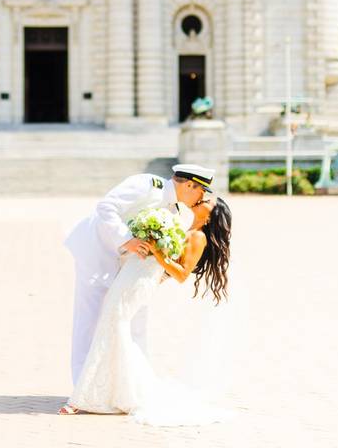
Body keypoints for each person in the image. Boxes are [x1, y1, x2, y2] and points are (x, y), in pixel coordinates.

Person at [61, 196, 233, 425]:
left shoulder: (198, 237)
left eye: (207, 201)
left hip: (140, 281)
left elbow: (181, 274)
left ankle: (83, 397)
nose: (201, 198)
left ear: (210, 215)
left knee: (113, 323)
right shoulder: (184, 226)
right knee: (113, 324)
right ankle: (123, 391)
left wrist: (157, 252)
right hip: (133, 272)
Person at [62, 164, 215, 388]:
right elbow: (106, 207)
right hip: (95, 254)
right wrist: (127, 239)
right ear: (190, 185)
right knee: (90, 320)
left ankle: (134, 385)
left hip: (127, 268)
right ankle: (81, 388)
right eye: (202, 191)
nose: (202, 198)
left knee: (136, 321)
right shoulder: (148, 185)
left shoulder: (178, 211)